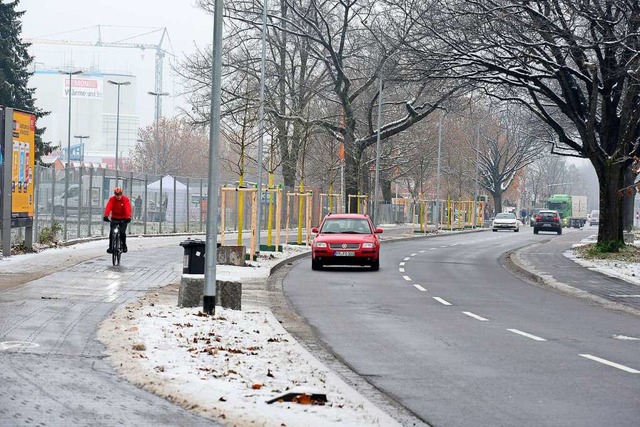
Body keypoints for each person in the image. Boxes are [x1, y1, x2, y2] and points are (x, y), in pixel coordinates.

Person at [103, 187, 132, 253]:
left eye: (119, 194)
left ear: (121, 194)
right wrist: (106, 216)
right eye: (116, 194)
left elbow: (127, 208)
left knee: (122, 232)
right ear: (114, 194)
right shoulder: (112, 199)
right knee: (111, 233)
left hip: (124, 219)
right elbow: (108, 207)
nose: (118, 196)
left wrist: (128, 217)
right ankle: (110, 247)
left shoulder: (125, 199)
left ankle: (124, 245)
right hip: (115, 218)